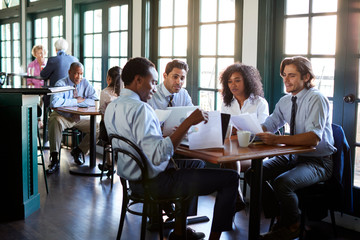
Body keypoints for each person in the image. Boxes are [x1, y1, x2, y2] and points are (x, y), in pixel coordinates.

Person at [105, 57, 239, 240]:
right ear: (138, 80)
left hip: (132, 180)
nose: (154, 87)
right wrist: (187, 123)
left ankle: (179, 230)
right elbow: (159, 155)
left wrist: (169, 135)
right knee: (231, 178)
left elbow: (141, 144)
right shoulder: (142, 110)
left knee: (196, 165)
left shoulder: (113, 106)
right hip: (155, 183)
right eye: (152, 82)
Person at [245, 56, 336, 240]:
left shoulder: (316, 99)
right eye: (284, 75)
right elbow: (268, 125)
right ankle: (280, 216)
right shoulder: (285, 101)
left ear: (307, 77)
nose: (286, 80)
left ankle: (293, 225)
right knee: (252, 173)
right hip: (292, 157)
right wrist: (248, 131)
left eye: (292, 75)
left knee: (282, 183)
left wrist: (277, 141)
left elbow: (313, 139)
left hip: (317, 161)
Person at [219, 62, 269, 210]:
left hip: (255, 151)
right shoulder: (227, 103)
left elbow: (262, 130)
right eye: (229, 81)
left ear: (247, 81)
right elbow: (224, 128)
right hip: (234, 149)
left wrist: (240, 130)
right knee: (228, 160)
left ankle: (233, 201)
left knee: (228, 163)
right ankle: (236, 199)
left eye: (237, 80)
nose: (233, 85)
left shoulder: (260, 103)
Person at [47, 62, 99, 174]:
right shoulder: (61, 83)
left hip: (79, 117)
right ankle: (55, 159)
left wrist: (82, 101)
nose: (79, 77)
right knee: (54, 120)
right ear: (69, 72)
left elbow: (95, 100)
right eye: (76, 73)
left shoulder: (85, 82)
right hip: (63, 117)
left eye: (81, 74)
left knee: (98, 127)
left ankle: (79, 151)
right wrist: (76, 101)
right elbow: (55, 103)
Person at [97, 66, 123, 172]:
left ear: (109, 79)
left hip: (109, 130)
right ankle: (116, 162)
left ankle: (109, 163)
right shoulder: (124, 93)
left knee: (105, 128)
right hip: (122, 129)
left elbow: (102, 112)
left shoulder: (105, 93)